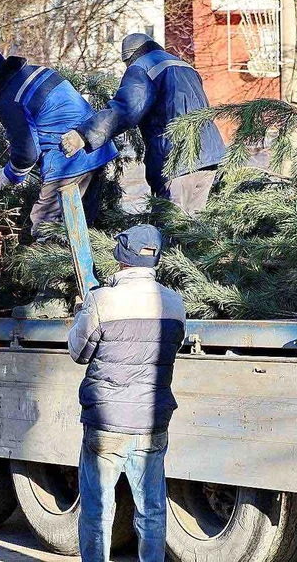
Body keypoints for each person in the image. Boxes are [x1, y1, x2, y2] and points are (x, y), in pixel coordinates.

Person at [0, 46, 119, 317]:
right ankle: (82, 294)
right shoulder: (37, 72)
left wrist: (10, 175)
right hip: (95, 149)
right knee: (82, 229)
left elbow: (27, 150)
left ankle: (49, 300)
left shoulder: (9, 98)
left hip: (68, 161)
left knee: (46, 225)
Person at [67, 224, 186, 562]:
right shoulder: (174, 304)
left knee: (98, 511)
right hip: (152, 424)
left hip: (106, 423)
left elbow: (78, 352)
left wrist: (82, 315)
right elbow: (170, 350)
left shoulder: (101, 301)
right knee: (151, 511)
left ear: (121, 258)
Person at [61, 33, 226, 215]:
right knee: (193, 231)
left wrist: (84, 134)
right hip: (209, 157)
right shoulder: (184, 66)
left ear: (130, 57)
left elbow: (126, 109)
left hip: (176, 160)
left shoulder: (143, 67)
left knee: (171, 229)